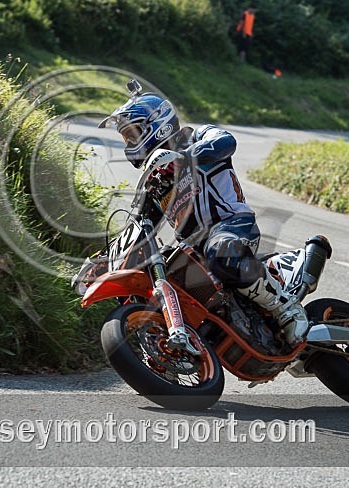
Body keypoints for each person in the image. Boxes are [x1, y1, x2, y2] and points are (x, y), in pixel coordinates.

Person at [96, 81, 308, 345]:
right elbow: (141, 224)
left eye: (133, 134)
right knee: (162, 274)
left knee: (221, 252)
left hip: (231, 225)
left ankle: (286, 308)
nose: (129, 142)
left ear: (157, 124)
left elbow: (226, 142)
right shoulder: (154, 180)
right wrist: (107, 259)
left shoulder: (196, 137)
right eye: (126, 137)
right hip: (194, 249)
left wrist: (184, 158)